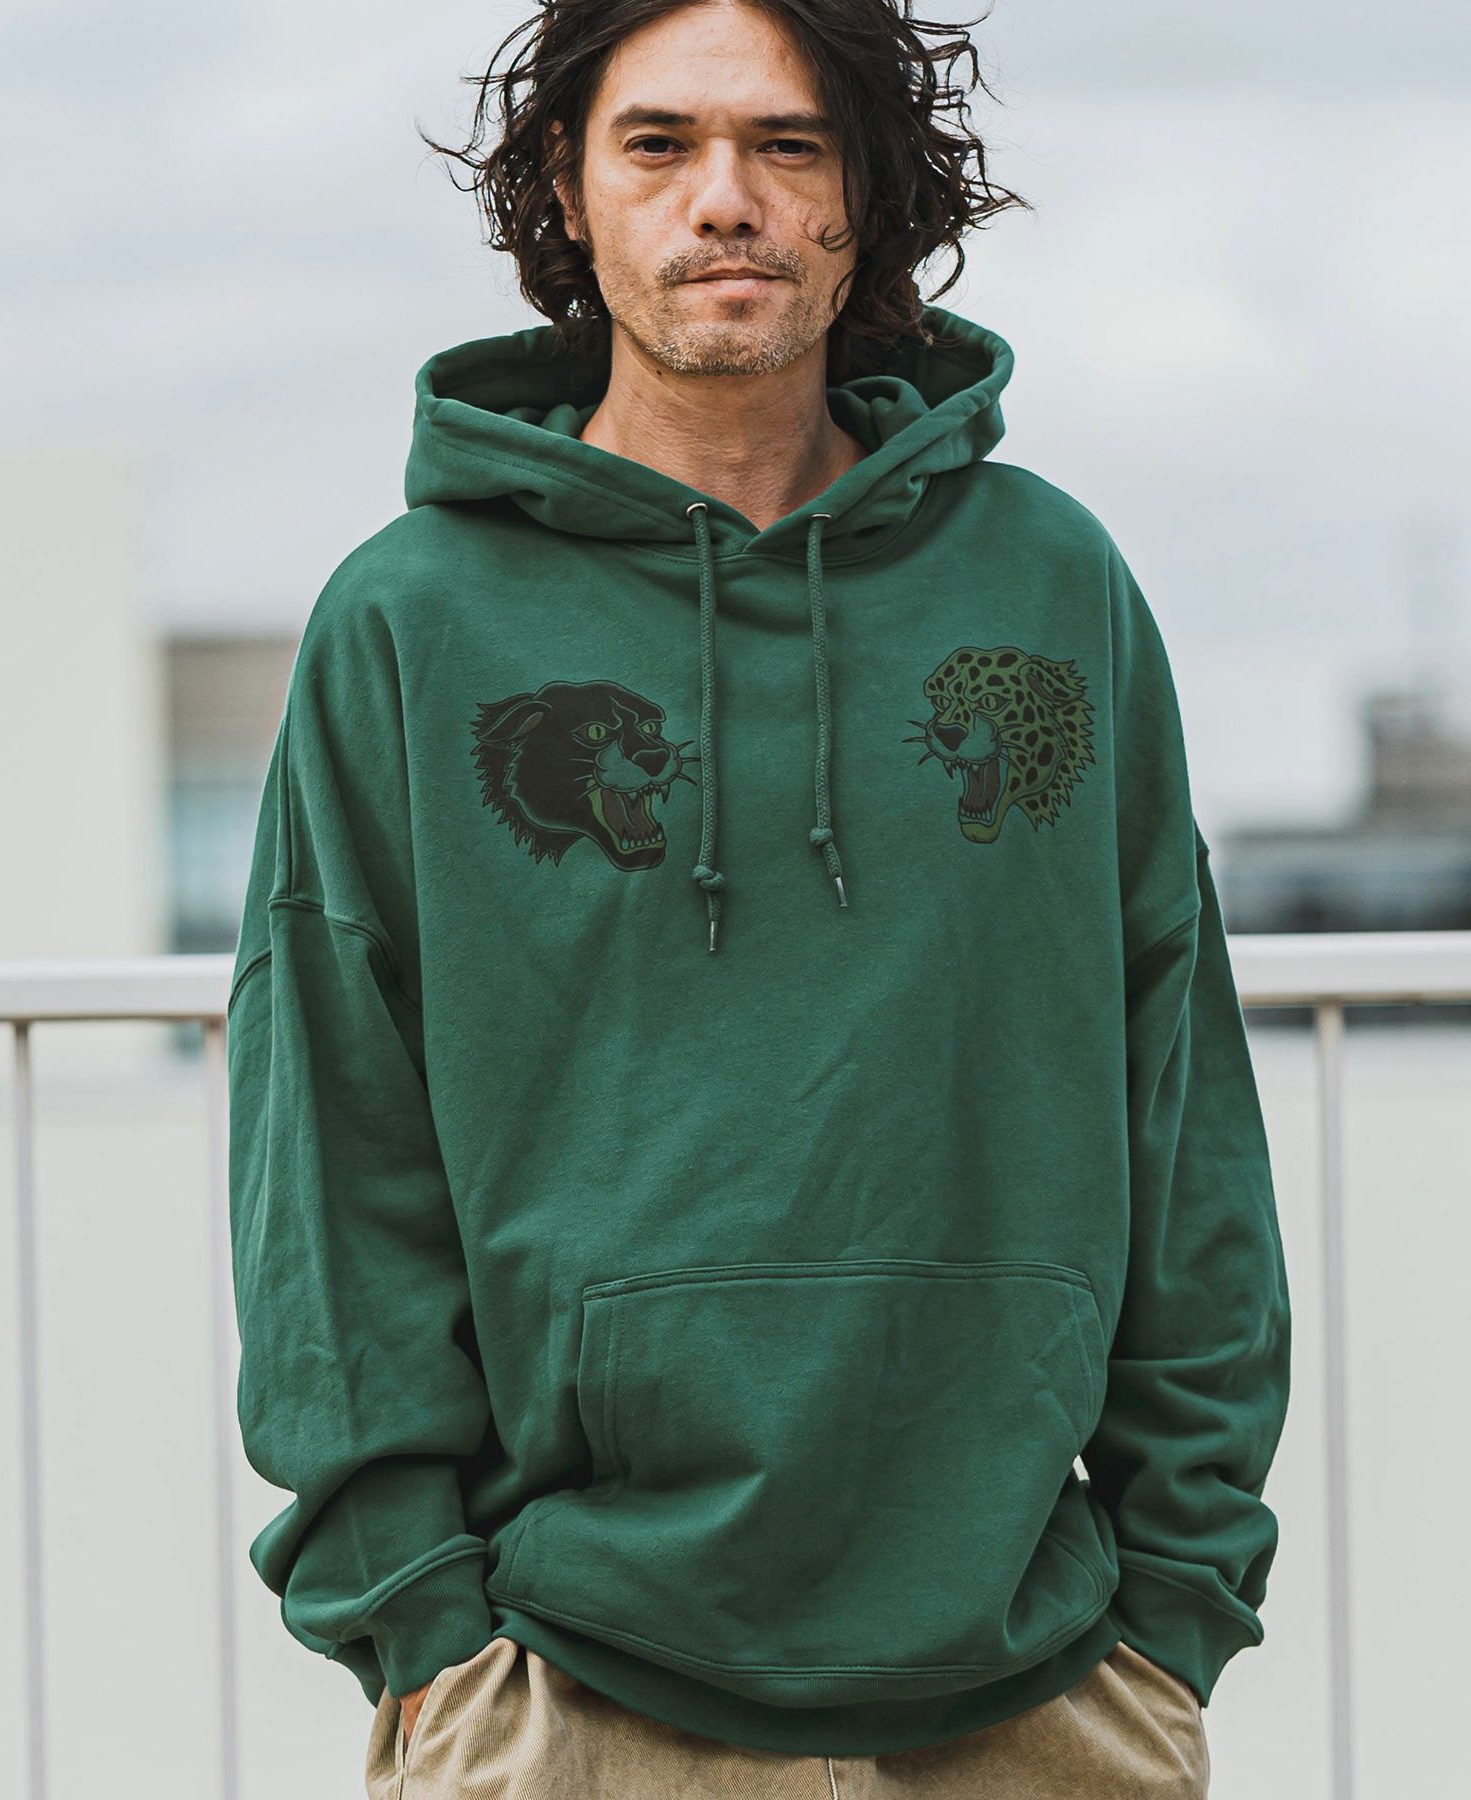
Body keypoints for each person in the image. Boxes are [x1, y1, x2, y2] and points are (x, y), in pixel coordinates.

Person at [225, 1, 1291, 1794]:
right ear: (568, 191)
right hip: (566, 1684)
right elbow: (331, 1145)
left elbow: (1179, 1095)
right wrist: (419, 1627)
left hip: (1046, 1679)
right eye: (658, 143)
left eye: (788, 145)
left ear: (866, 197)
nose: (724, 197)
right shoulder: (410, 619)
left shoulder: (1051, 584)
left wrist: (1179, 1598)